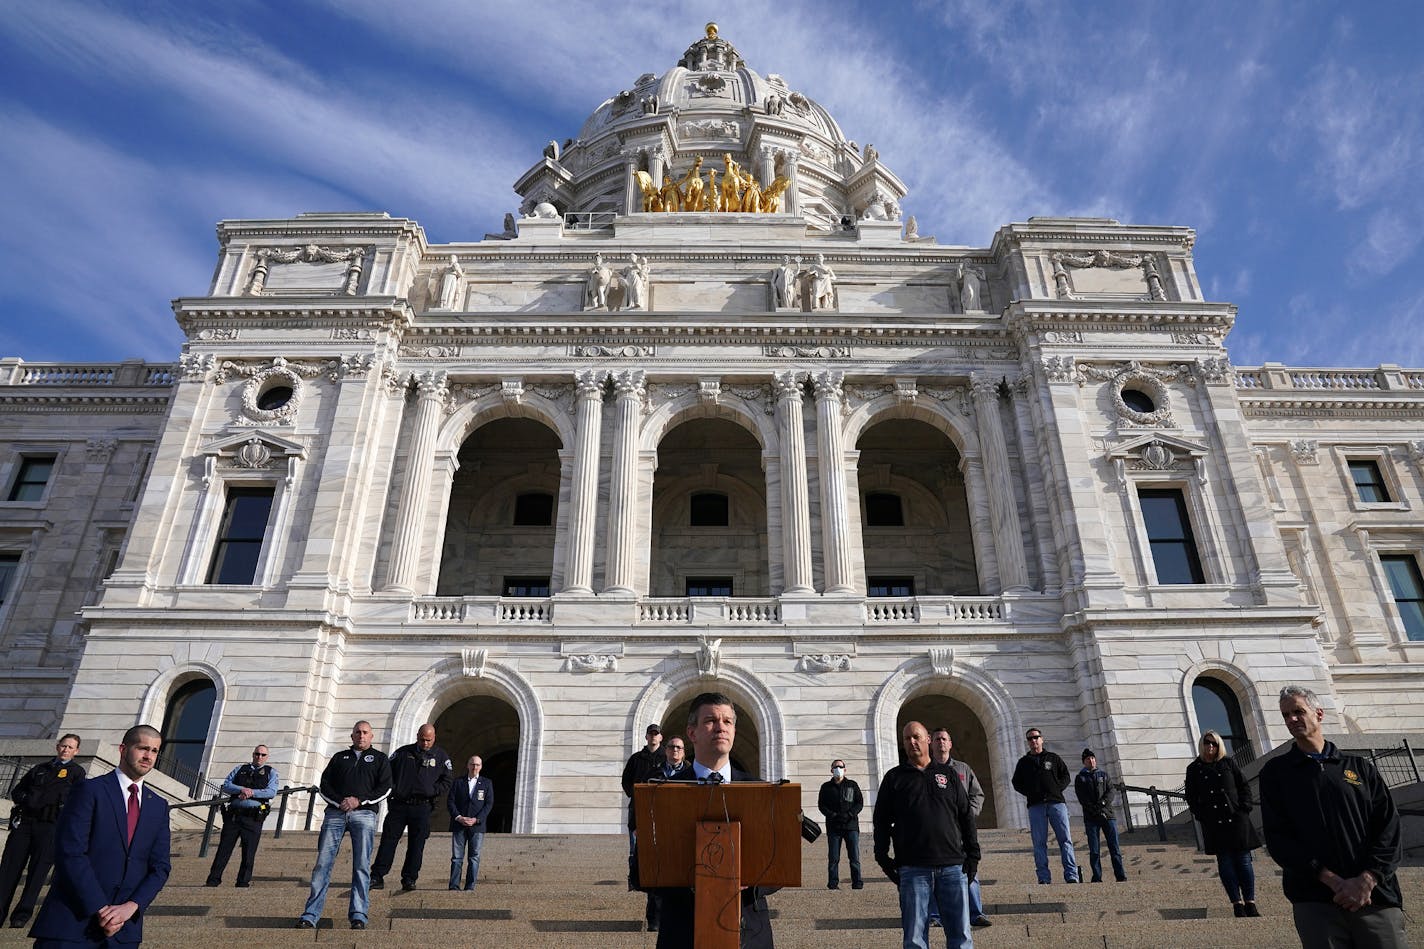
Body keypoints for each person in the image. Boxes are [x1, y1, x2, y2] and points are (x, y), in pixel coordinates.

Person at [1261, 685, 1407, 947]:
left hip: (1375, 897)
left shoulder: (1359, 767)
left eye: (1298, 711)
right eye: (1286, 715)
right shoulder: (1276, 773)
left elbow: (1388, 827)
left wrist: (1368, 879)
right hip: (1315, 902)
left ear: (1319, 713)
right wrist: (1332, 880)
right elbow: (1278, 838)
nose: (1292, 720)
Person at [29, 725, 169, 947]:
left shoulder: (159, 806)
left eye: (154, 751)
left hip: (124, 933)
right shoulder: (89, 790)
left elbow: (160, 867)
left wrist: (131, 907)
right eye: (142, 748)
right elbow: (70, 853)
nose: (148, 756)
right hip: (72, 925)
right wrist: (101, 908)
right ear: (123, 749)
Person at [654, 692, 775, 949]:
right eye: (710, 720)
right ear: (692, 733)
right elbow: (644, 866)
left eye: (727, 721)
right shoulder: (662, 793)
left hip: (749, 931)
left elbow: (777, 862)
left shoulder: (760, 790)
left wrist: (752, 881)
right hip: (683, 930)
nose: (721, 727)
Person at [873, 721, 981, 949]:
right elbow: (881, 820)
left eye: (916, 736)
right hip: (913, 869)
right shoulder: (894, 778)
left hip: (952, 866)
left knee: (961, 937)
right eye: (906, 739)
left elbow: (965, 817)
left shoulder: (948, 775)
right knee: (915, 939)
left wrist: (973, 855)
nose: (911, 742)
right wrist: (882, 857)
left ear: (927, 740)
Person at [296, 720, 392, 931]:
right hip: (335, 814)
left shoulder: (380, 759)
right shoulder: (340, 758)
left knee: (361, 866)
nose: (361, 735)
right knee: (322, 864)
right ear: (352, 736)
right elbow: (325, 784)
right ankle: (310, 914)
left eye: (365, 732)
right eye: (357, 732)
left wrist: (359, 800)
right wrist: (340, 801)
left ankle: (358, 914)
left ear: (371, 736)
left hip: (365, 815)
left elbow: (385, 788)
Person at [0, 734, 84, 929]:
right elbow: (18, 791)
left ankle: (22, 914)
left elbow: (77, 800)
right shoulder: (39, 769)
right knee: (8, 870)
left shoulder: (76, 773)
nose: (66, 750)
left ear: (76, 751)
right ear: (57, 747)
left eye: (70, 747)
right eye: (63, 746)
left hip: (50, 827)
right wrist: (26, 799)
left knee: (37, 873)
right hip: (26, 824)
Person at [371, 724, 453, 892]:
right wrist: (393, 790)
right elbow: (387, 774)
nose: (425, 743)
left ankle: (409, 878)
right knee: (388, 841)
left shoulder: (441, 756)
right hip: (399, 805)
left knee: (416, 845)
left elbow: (447, 780)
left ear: (434, 738)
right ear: (417, 736)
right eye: (422, 739)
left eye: (428, 740)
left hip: (422, 807)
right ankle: (377, 876)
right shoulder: (402, 752)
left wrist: (432, 791)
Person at [929, 727, 991, 928]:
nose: (940, 742)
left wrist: (969, 816)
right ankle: (934, 915)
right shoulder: (924, 769)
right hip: (936, 830)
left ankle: (975, 913)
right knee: (932, 872)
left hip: (961, 829)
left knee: (969, 868)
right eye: (937, 739)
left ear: (950, 743)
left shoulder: (963, 768)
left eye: (944, 739)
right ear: (931, 743)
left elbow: (977, 794)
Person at [1011, 727, 1079, 884]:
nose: (1033, 740)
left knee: (1065, 840)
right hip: (1036, 806)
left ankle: (1071, 875)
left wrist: (1056, 788)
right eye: (1030, 739)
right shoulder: (1023, 762)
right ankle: (1043, 877)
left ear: (1041, 739)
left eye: (1036, 737)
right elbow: (1016, 783)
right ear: (1028, 742)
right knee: (1039, 843)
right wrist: (1031, 792)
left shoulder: (1053, 758)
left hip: (1057, 804)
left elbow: (1066, 776)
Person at [204, 744, 278, 888]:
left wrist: (252, 792)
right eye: (257, 754)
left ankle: (243, 882)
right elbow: (226, 785)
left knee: (249, 852)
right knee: (223, 849)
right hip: (234, 816)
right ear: (253, 754)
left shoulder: (271, 772)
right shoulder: (240, 769)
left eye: (263, 755)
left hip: (253, 818)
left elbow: (271, 792)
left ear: (267, 757)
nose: (259, 757)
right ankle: (213, 879)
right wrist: (242, 789)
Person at [621, 723, 664, 932]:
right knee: (634, 848)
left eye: (656, 734)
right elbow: (626, 780)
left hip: (660, 812)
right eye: (651, 734)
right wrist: (635, 794)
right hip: (638, 809)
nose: (653, 737)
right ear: (646, 737)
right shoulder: (637, 759)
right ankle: (635, 877)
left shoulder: (666, 759)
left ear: (660, 737)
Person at [1074, 749, 1127, 884]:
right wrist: (1095, 809)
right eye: (1088, 759)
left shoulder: (1104, 775)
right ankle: (1097, 876)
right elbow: (1082, 797)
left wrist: (1102, 804)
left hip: (1108, 815)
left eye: (1092, 758)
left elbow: (1110, 792)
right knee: (1094, 849)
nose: (1091, 761)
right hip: (1091, 817)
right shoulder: (1080, 777)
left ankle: (1120, 875)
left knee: (1114, 847)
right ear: (1084, 762)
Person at [817, 758, 864, 890]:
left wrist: (850, 814)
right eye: (836, 767)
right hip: (834, 827)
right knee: (833, 858)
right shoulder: (825, 787)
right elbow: (822, 805)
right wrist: (832, 815)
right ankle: (833, 883)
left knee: (854, 857)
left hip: (851, 826)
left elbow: (859, 803)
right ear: (831, 770)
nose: (838, 769)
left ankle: (857, 882)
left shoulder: (852, 785)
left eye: (840, 766)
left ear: (845, 769)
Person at [447, 755, 493, 891]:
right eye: (472, 764)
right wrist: (459, 817)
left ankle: (470, 886)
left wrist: (476, 819)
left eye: (477, 765)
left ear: (481, 767)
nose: (475, 767)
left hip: (477, 826)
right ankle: (454, 886)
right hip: (459, 824)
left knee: (474, 858)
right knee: (456, 857)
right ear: (468, 765)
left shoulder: (486, 783)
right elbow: (450, 801)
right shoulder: (458, 782)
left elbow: (488, 804)